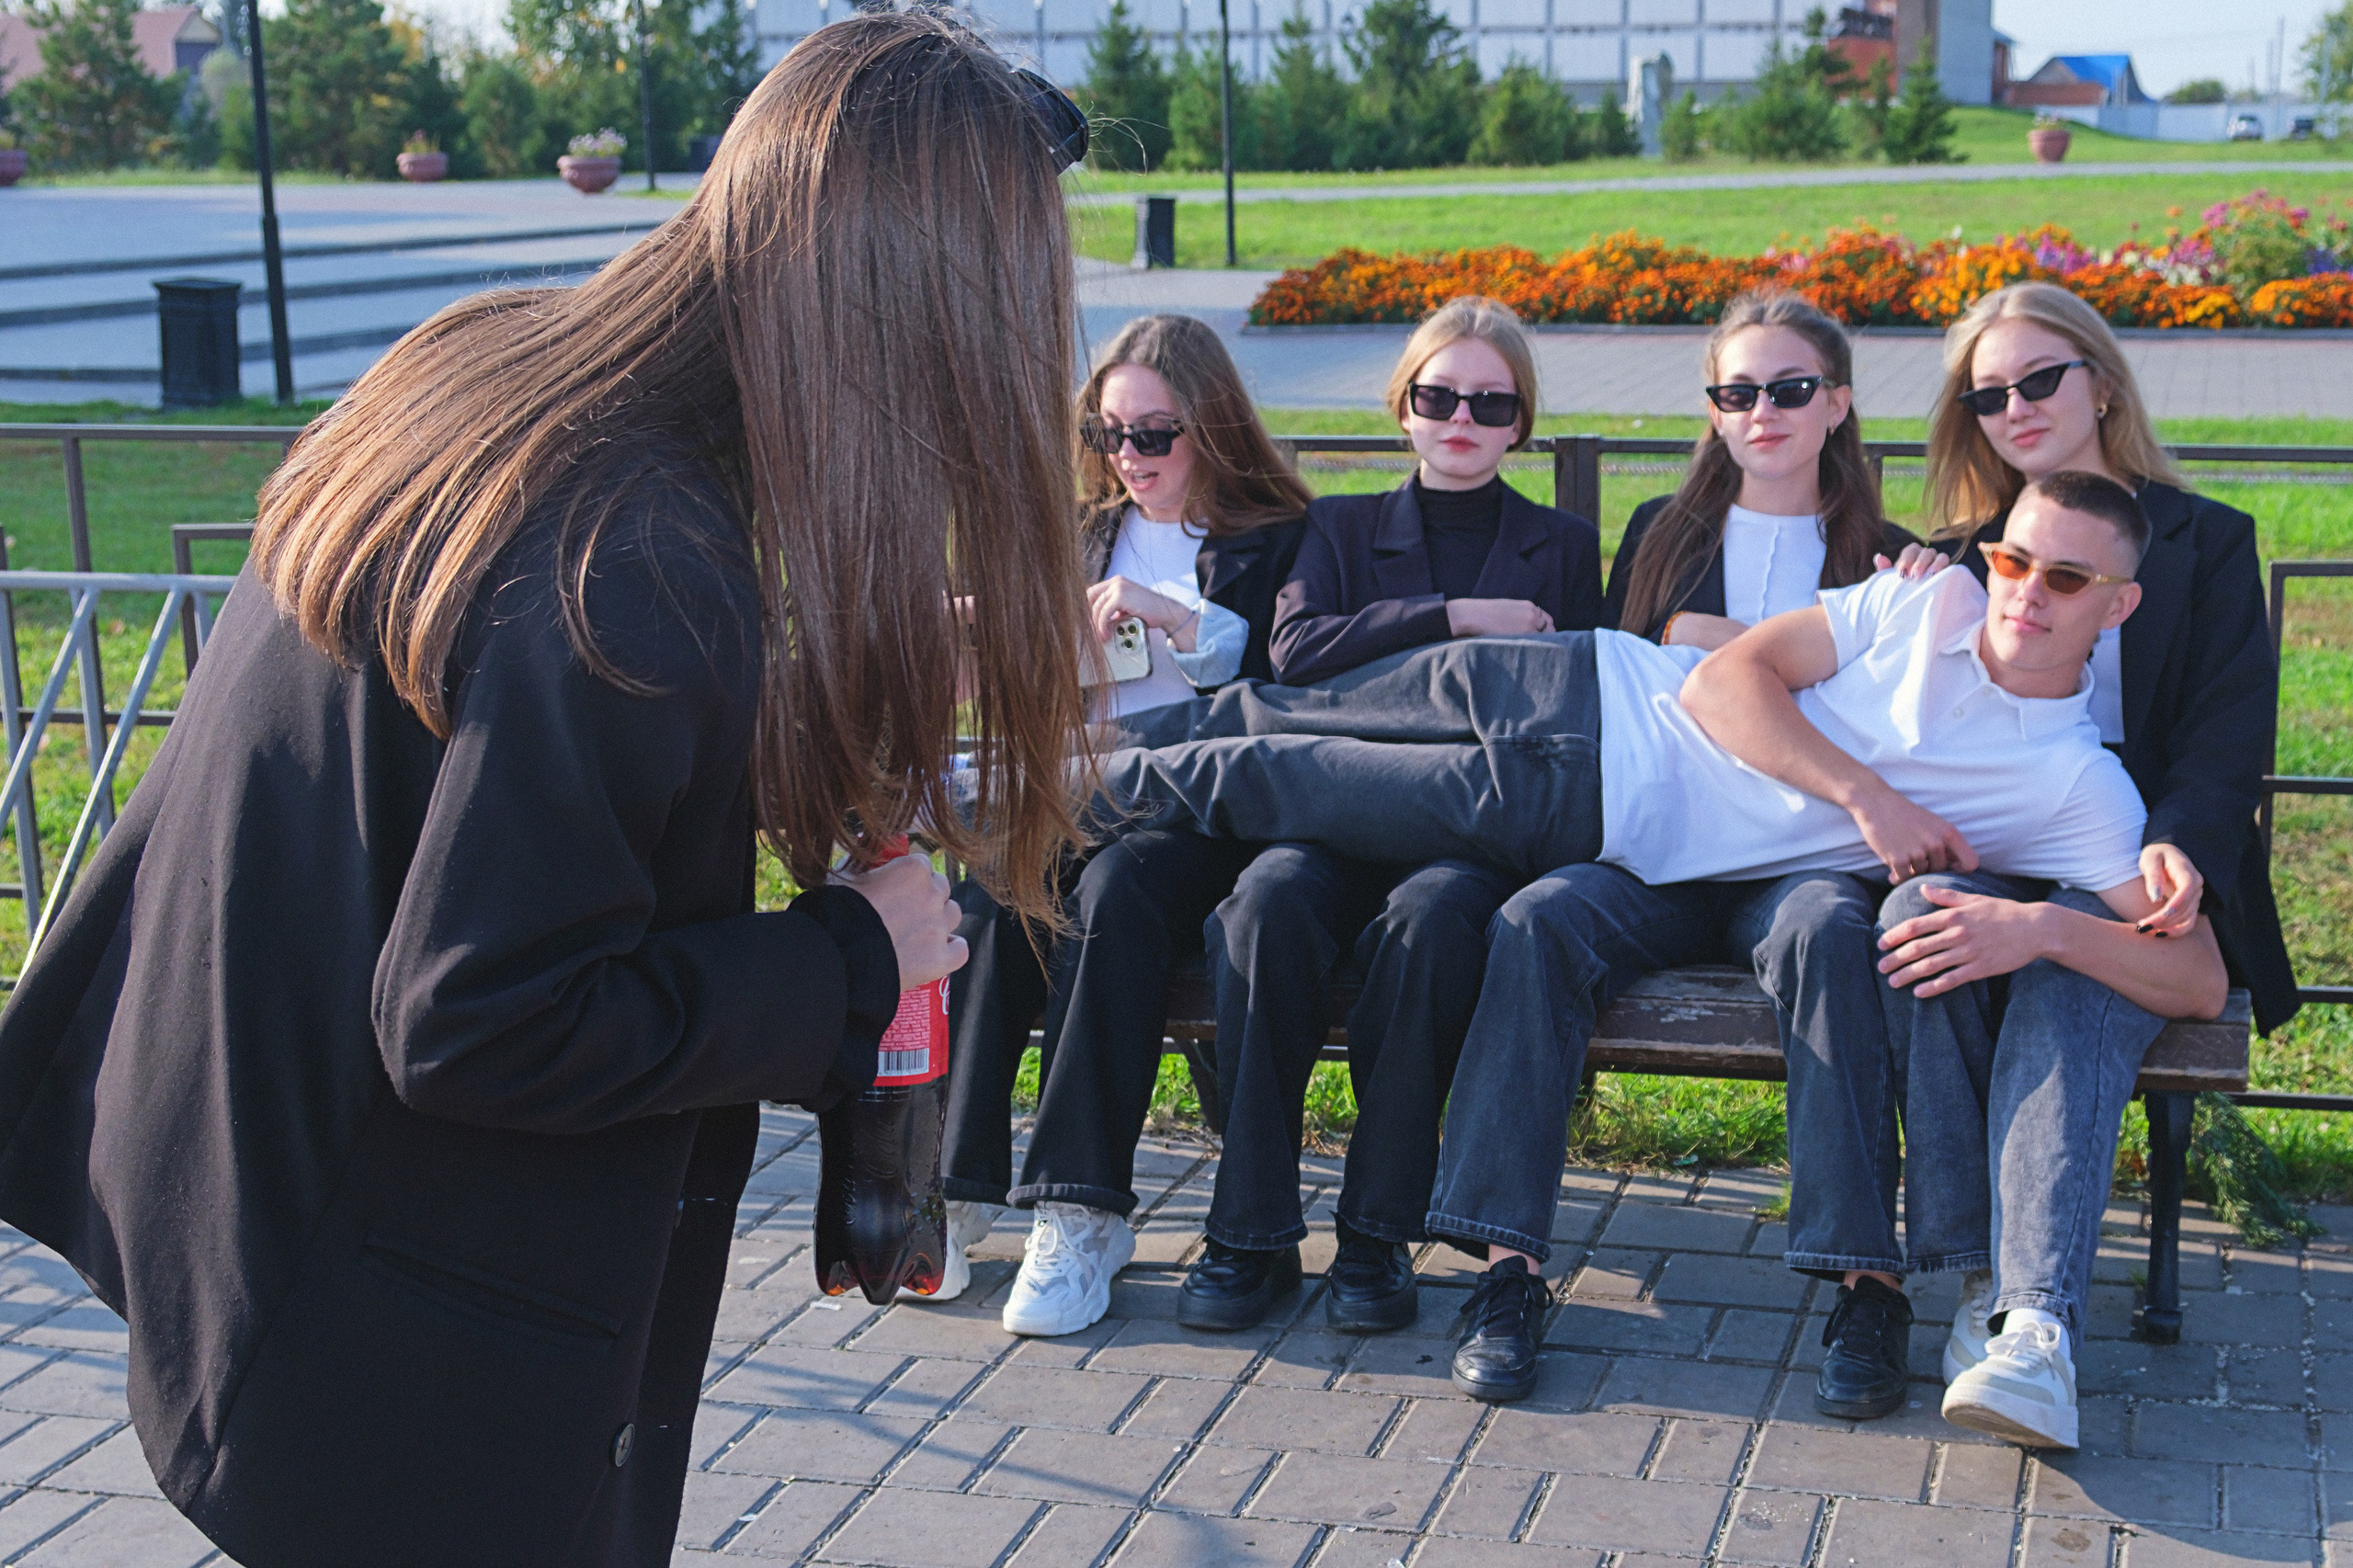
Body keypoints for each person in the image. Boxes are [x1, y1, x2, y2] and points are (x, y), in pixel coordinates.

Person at [0, 18, 1095, 1567]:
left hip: (252, 1231)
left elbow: (460, 743)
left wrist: (770, 718)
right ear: (920, 318)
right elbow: (482, 1015)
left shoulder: (500, 371)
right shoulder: (641, 558)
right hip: (397, 1380)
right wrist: (853, 957)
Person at [1406, 288, 1924, 1403]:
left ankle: (1865, 1281)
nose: (1761, 412)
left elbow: (1863, 714)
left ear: (1835, 403)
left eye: (1787, 389)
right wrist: (1752, 665)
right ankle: (1507, 1267)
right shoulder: (1663, 532)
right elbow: (1635, 697)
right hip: (1655, 849)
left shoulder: (1891, 563)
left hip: (1797, 859)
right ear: (1714, 410)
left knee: (1833, 931)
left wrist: (1717, 649)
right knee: (1536, 919)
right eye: (1735, 392)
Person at [1849, 281, 2295, 1450]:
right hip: (1993, 851)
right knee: (1925, 913)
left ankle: (2031, 1329)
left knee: (2063, 974)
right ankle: (1970, 1283)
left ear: (2100, 380)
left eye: (2038, 377)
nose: (2013, 405)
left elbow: (2225, 737)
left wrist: (2179, 847)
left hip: (2135, 865)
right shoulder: (1949, 558)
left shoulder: (2202, 543)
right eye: (1986, 393)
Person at [1177, 296, 1604, 1335]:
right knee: (1262, 906)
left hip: (1465, 831)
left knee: (1430, 926)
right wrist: (1459, 621)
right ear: (1402, 407)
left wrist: (1407, 657)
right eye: (1438, 395)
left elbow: (1573, 708)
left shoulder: (1558, 543)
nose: (1461, 418)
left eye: (1489, 402)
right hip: (1328, 809)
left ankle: (1375, 1231)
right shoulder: (1341, 523)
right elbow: (1298, 653)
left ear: (1519, 424)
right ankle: (1252, 1227)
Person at [935, 314, 1312, 1336]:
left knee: (1115, 893)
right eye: (1110, 434)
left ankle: (1079, 1207)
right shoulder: (1085, 529)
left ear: (1214, 425)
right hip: (1079, 787)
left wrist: (1183, 619)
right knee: (995, 886)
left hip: (1201, 810)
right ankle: (956, 1180)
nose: (1129, 458)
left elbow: (1287, 687)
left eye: (1155, 433)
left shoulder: (1272, 535)